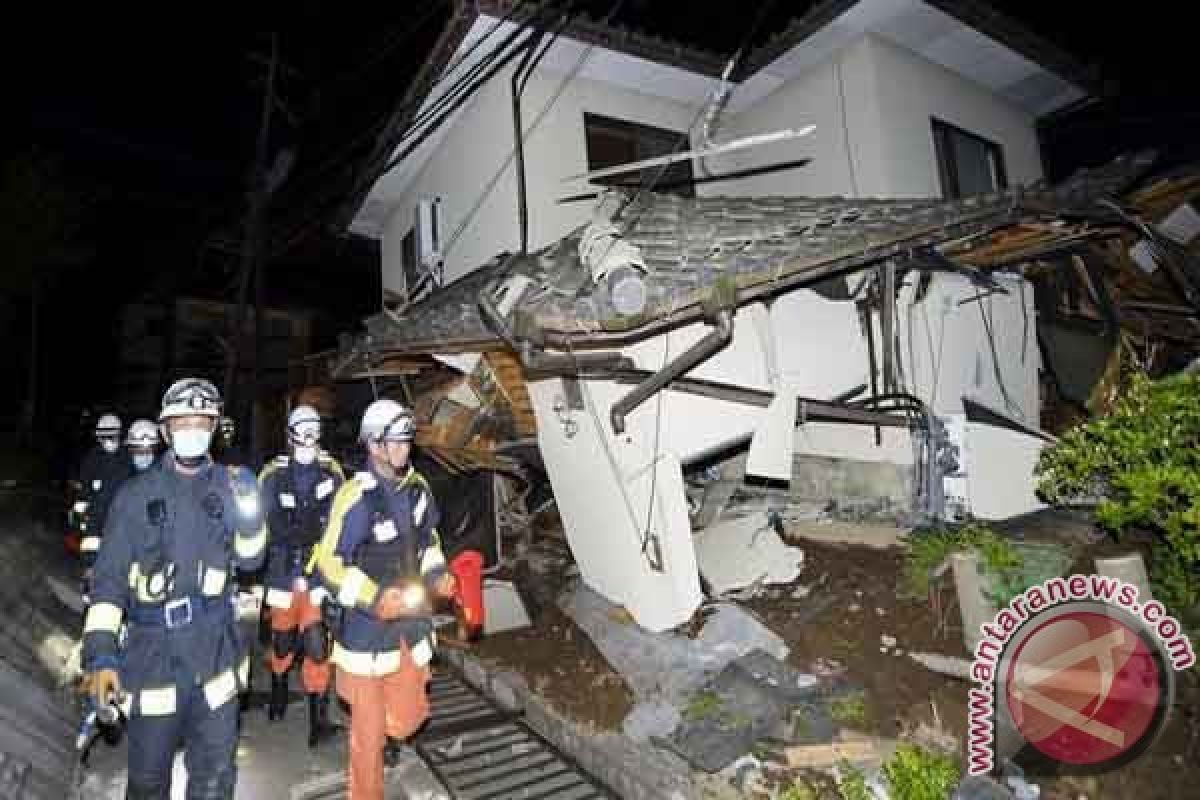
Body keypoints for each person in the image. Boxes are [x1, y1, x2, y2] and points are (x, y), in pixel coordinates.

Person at [82, 378, 267, 800]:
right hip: (153, 660)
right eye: (182, 422)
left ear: (215, 427)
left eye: (202, 421)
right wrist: (102, 656)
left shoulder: (233, 484)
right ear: (166, 431)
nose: (192, 430)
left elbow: (253, 560)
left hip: (216, 656)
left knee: (216, 778)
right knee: (148, 784)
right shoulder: (134, 496)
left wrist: (251, 510)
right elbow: (108, 582)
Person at [309, 399, 456, 800]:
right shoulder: (356, 497)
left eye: (408, 440)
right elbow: (330, 563)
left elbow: (429, 544)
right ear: (374, 445)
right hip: (365, 634)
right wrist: (374, 599)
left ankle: (391, 730)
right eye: (396, 441)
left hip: (409, 626)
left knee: (407, 721)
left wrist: (438, 575)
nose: (404, 449)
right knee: (367, 736)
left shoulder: (419, 491)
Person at [258, 405, 345, 746]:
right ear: (290, 435)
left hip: (317, 573)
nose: (309, 438)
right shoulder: (273, 475)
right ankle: (278, 691)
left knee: (316, 645)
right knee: (281, 642)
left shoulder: (331, 473)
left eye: (314, 430)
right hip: (283, 572)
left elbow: (339, 520)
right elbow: (269, 523)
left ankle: (318, 722)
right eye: (302, 431)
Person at [76, 413, 134, 566]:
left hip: (122, 520)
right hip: (95, 519)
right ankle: (90, 578)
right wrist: (81, 514)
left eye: (112, 436)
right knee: (91, 552)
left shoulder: (129, 457)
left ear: (120, 435)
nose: (108, 441)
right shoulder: (92, 457)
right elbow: (84, 487)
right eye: (104, 437)